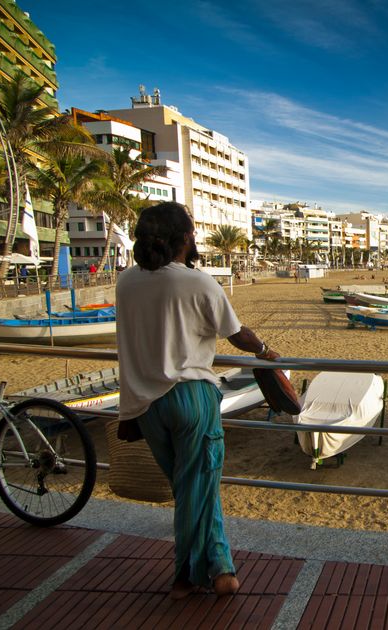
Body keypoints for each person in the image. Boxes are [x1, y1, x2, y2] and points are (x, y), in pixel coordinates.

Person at [115, 202, 280, 600]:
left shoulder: (126, 282)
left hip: (144, 403)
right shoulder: (198, 282)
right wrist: (264, 349)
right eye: (191, 233)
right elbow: (237, 334)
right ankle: (185, 576)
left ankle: (221, 567)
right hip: (191, 396)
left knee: (193, 487)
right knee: (197, 486)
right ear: (184, 238)